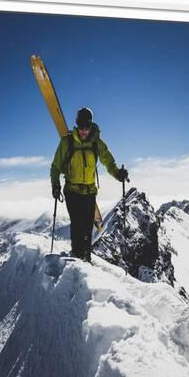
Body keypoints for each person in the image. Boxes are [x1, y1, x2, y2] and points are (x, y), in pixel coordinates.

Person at [50, 107, 129, 262]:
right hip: (72, 190)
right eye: (81, 127)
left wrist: (118, 174)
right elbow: (55, 167)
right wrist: (55, 185)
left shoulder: (96, 143)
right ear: (77, 125)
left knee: (87, 227)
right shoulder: (67, 142)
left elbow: (108, 161)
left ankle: (86, 258)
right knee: (77, 225)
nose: (83, 131)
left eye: (86, 128)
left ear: (91, 126)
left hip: (90, 191)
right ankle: (77, 257)